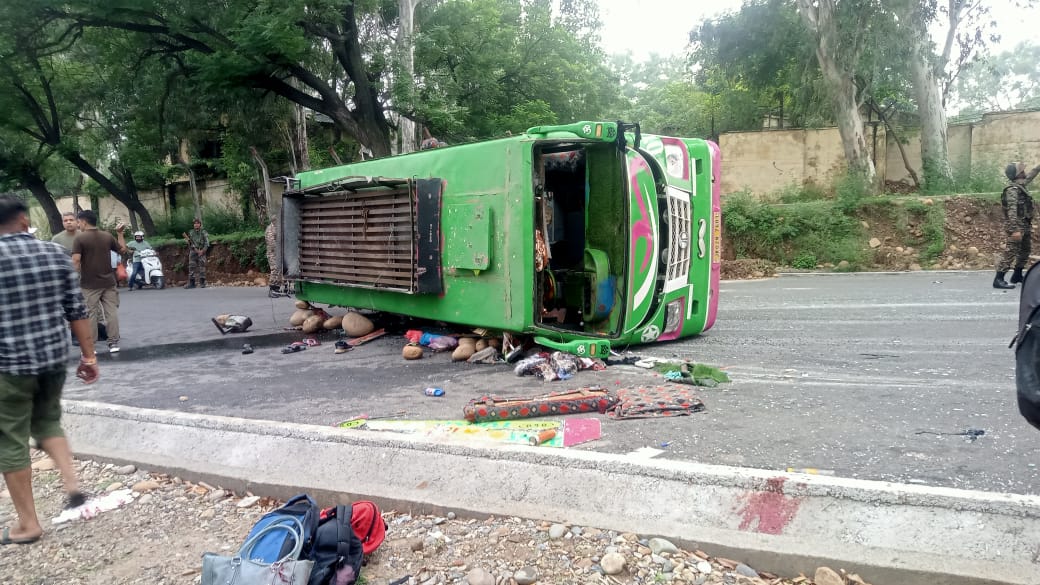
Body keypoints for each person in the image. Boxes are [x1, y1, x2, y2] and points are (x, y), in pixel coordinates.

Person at [0, 195, 99, 546]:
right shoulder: (54, 254)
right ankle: (72, 485)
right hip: (52, 360)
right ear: (25, 220)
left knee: (10, 439)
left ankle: (28, 524)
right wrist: (89, 357)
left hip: (8, 365)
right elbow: (77, 310)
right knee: (47, 421)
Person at [72, 210, 127, 353]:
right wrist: (120, 233)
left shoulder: (80, 239)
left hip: (89, 284)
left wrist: (72, 279)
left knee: (90, 314)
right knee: (111, 313)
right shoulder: (107, 236)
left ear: (83, 221)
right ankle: (113, 343)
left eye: (78, 222)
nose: (78, 225)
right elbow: (122, 250)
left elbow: (76, 260)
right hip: (109, 282)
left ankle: (92, 346)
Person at [995, 162, 1040, 289]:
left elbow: (1032, 174)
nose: (1025, 172)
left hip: (1024, 223)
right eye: (1022, 170)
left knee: (1025, 250)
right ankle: (999, 279)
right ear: (1018, 174)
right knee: (1011, 252)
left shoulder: (1021, 185)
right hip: (1016, 225)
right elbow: (1012, 211)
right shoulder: (1012, 190)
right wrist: (1015, 229)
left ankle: (1017, 275)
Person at [183, 218, 209, 289]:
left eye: (197, 223)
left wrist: (202, 251)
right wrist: (188, 242)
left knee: (202, 267)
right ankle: (192, 283)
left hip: (201, 251)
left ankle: (202, 282)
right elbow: (190, 242)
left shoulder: (204, 232)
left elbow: (207, 243)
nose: (196, 225)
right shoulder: (191, 232)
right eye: (195, 223)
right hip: (193, 251)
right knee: (191, 266)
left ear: (200, 224)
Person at [264, 217, 284, 298]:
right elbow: (272, 243)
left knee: (279, 270)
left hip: (277, 253)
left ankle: (276, 288)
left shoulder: (277, 228)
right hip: (273, 254)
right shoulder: (270, 229)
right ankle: (272, 290)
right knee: (275, 269)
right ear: (274, 220)